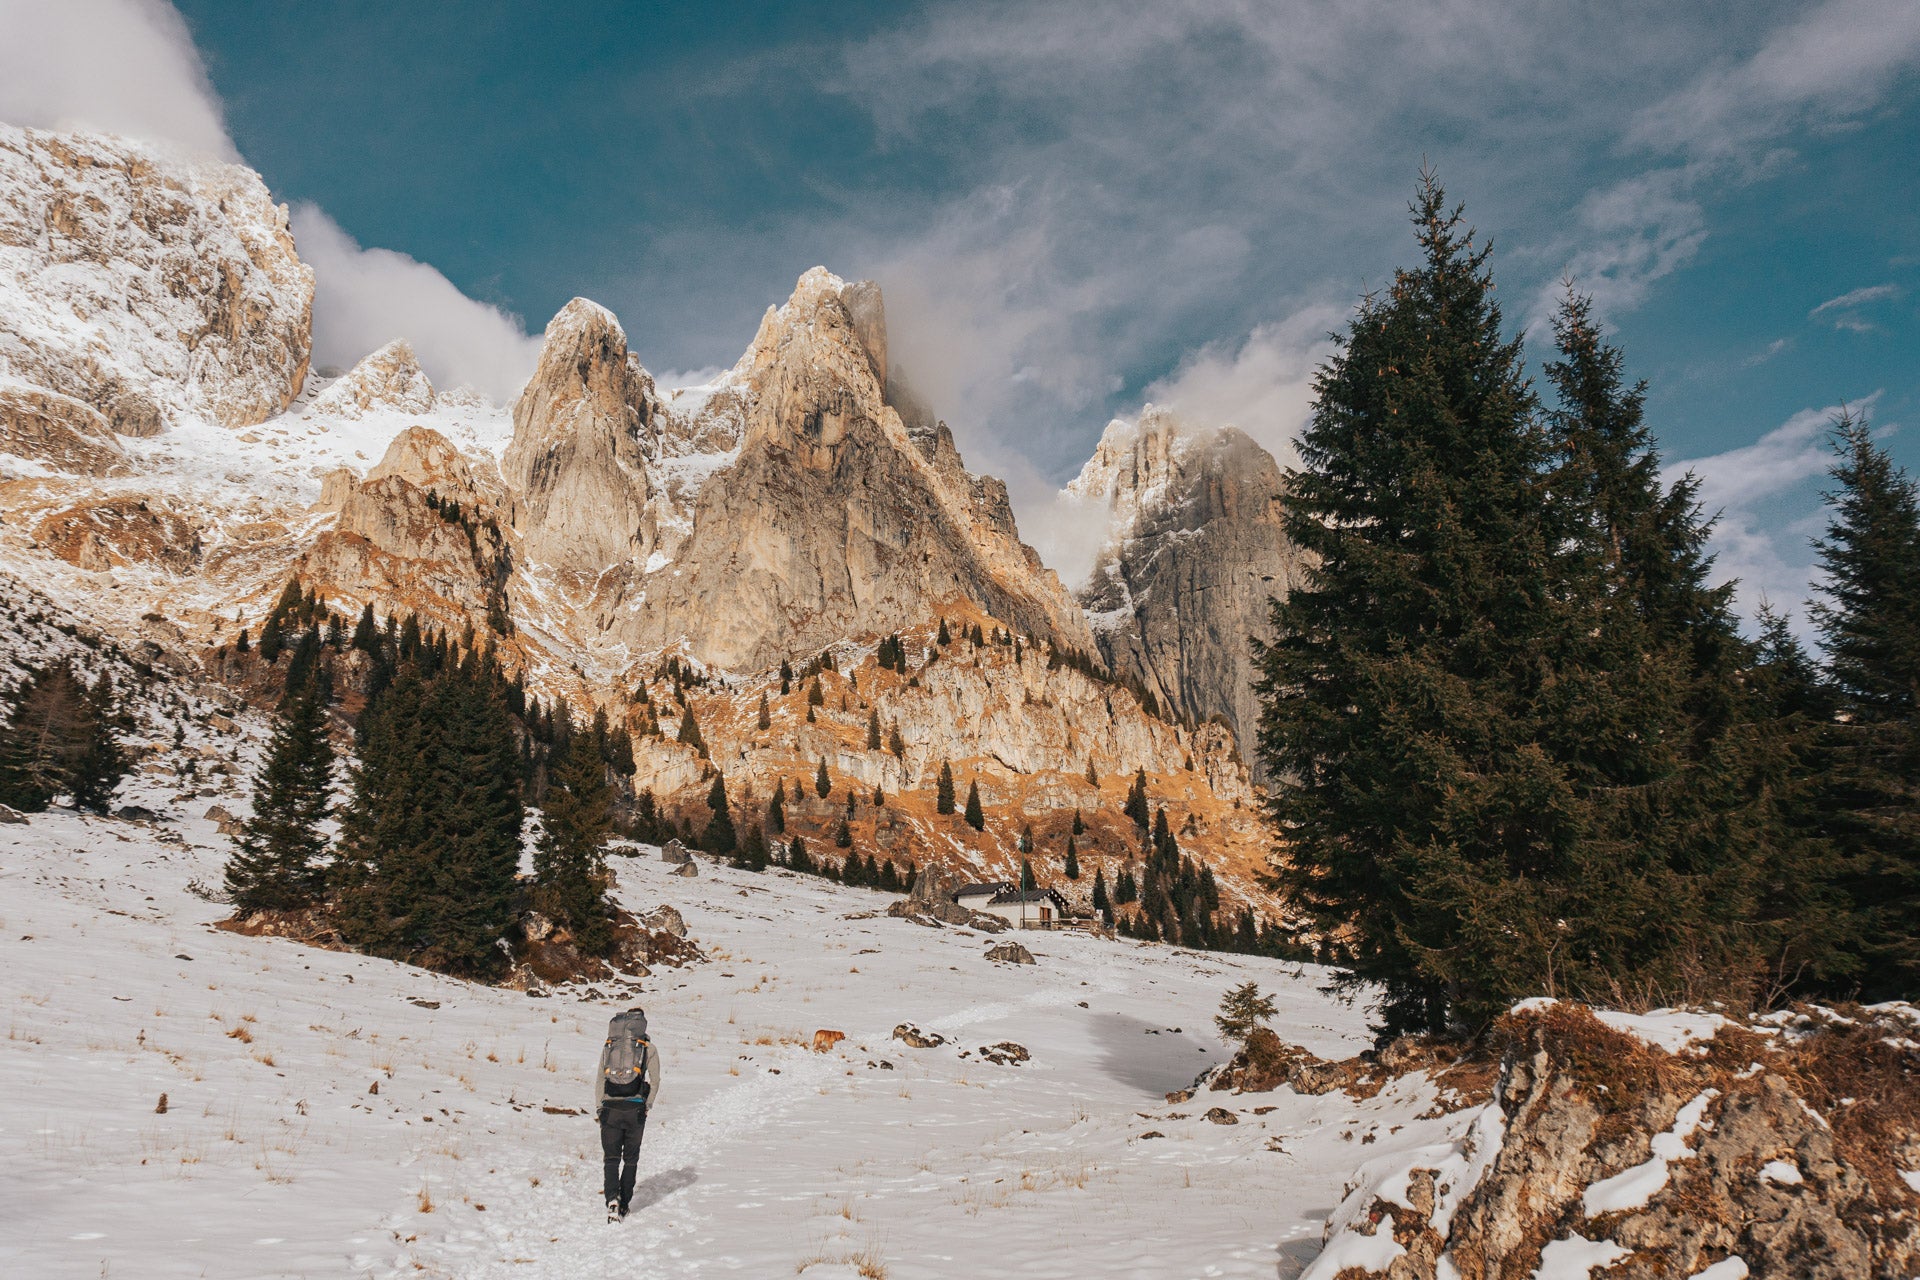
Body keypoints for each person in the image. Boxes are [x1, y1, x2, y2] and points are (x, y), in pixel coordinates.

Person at [594, 1006, 662, 1221]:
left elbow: (600, 1080)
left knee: (611, 1158)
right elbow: (656, 1080)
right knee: (631, 1159)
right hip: (635, 1109)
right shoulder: (648, 1048)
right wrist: (647, 1104)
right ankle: (624, 1203)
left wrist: (600, 1106)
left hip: (610, 1108)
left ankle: (612, 1200)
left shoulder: (610, 1046)